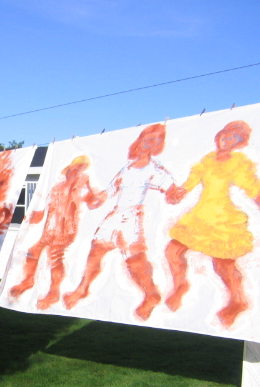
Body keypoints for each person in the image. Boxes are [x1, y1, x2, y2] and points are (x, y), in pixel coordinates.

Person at [164, 120, 260, 327]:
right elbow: (190, 183)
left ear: (239, 143)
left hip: (222, 219)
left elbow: (251, 185)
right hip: (200, 216)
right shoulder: (207, 160)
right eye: (226, 134)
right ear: (219, 134)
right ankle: (180, 285)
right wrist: (177, 193)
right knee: (173, 251)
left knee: (222, 264)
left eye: (234, 138)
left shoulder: (238, 162)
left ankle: (238, 301)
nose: (227, 140)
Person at [63, 124, 178, 320]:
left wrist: (175, 194)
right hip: (115, 215)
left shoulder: (155, 169)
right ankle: (82, 288)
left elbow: (172, 189)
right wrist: (95, 198)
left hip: (131, 217)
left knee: (135, 259)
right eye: (145, 138)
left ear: (157, 145)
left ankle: (151, 294)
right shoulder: (127, 167)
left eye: (152, 140)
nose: (146, 143)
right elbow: (109, 191)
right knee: (96, 249)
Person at [8, 155, 106, 310]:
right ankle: (28, 281)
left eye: (77, 169)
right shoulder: (57, 187)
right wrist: (38, 215)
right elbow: (48, 206)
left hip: (66, 227)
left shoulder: (82, 182)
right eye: (71, 169)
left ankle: (53, 292)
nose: (72, 172)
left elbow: (95, 200)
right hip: (50, 226)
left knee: (55, 257)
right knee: (34, 251)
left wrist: (91, 192)